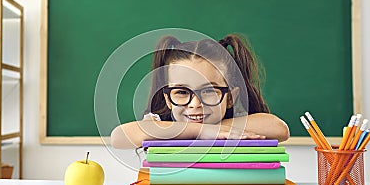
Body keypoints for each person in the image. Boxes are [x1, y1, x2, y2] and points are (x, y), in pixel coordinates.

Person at [111, 34, 289, 149]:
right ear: (167, 98)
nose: (195, 104)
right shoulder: (162, 124)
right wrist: (202, 131)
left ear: (230, 98)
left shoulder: (235, 124)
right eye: (181, 92)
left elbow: (278, 128)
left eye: (209, 91)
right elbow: (118, 137)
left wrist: (214, 129)